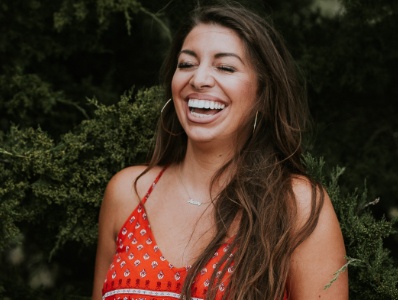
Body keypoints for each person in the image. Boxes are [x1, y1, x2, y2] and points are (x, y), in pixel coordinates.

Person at [92, 3, 348, 299]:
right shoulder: (127, 192)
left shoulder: (296, 205)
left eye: (225, 67)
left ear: (263, 95)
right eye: (186, 64)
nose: (198, 79)